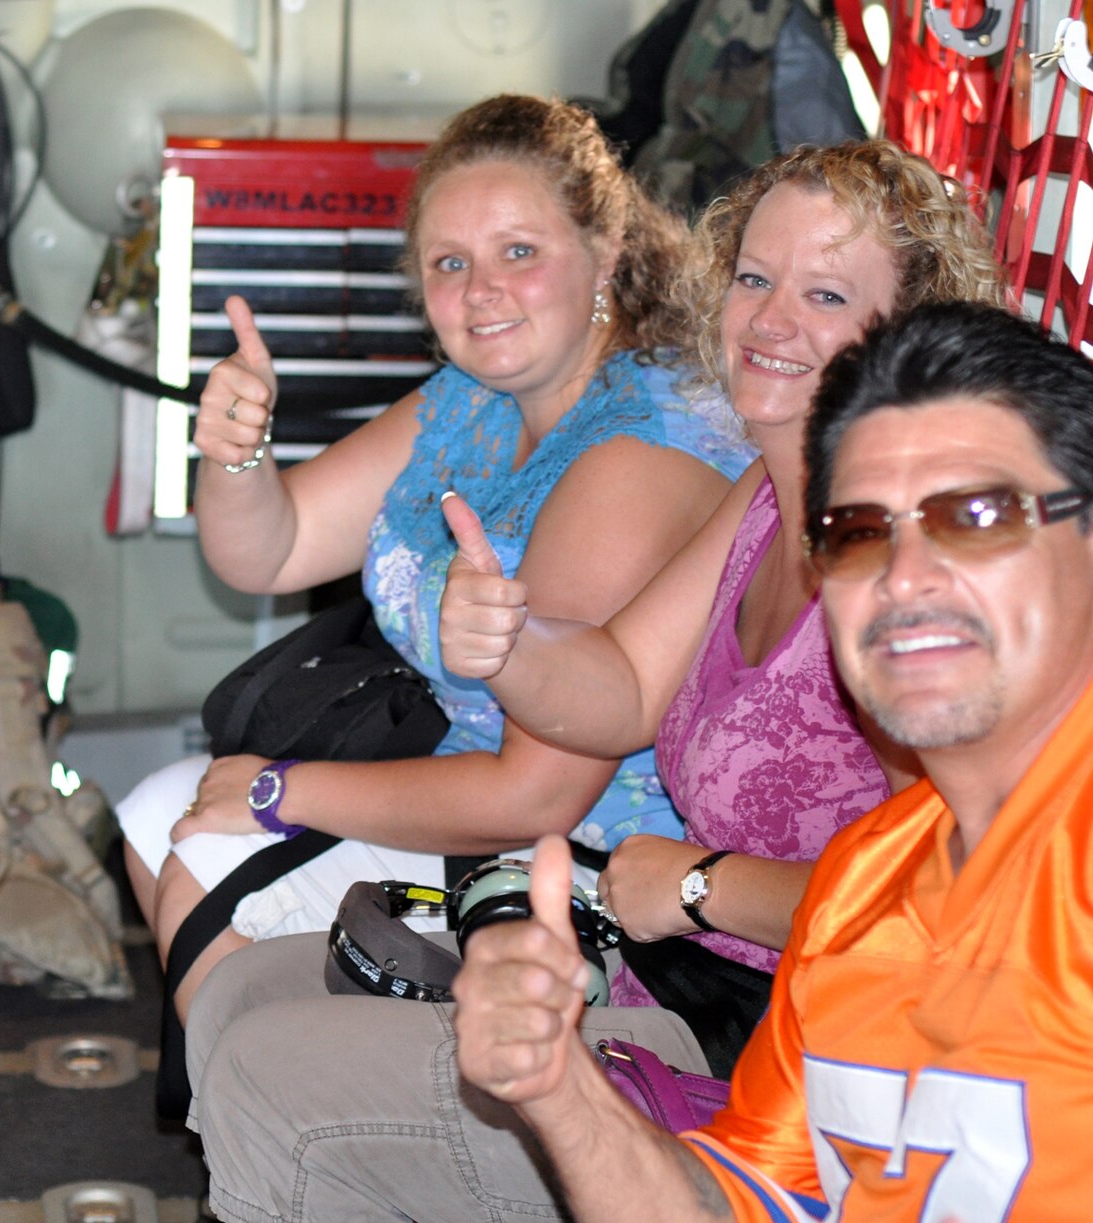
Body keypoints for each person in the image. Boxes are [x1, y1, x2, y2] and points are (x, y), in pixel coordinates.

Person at [182, 140, 1008, 1222]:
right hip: (664, 970)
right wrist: (507, 639)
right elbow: (615, 684)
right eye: (753, 279)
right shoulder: (766, 496)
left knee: (270, 1075)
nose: (767, 320)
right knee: (246, 990)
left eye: (822, 293)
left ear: (911, 330)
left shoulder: (914, 580)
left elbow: (956, 915)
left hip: (791, 1061)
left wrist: (702, 883)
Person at [457, 299, 1093, 1221]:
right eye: (859, 532)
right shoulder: (859, 886)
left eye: (977, 514)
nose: (903, 574)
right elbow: (739, 1203)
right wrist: (558, 1085)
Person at [118, 93, 751, 1019]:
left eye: (518, 253)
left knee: (213, 866)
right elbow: (274, 547)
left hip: (581, 861)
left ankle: (288, 1137)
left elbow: (536, 793)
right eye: (449, 263)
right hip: (465, 779)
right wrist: (237, 453)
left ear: (606, 255)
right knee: (160, 814)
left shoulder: (635, 456)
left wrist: (278, 790)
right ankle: (277, 1124)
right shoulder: (475, 397)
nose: (480, 290)